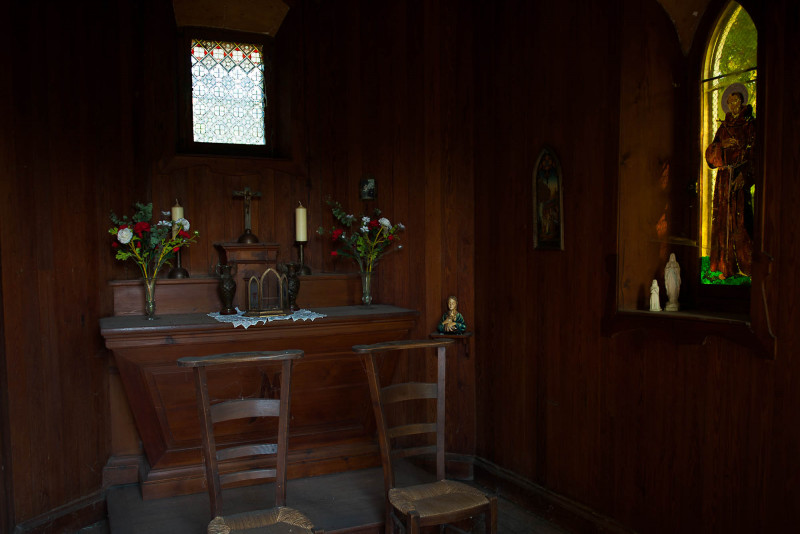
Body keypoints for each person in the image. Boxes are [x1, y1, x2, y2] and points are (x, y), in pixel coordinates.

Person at [705, 83, 756, 279]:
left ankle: (746, 266)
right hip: (724, 180)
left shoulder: (750, 124)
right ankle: (726, 266)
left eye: (736, 101)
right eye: (729, 102)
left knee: (741, 220)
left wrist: (746, 175)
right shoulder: (723, 127)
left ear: (742, 102)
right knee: (723, 221)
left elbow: (754, 153)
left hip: (740, 178)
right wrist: (721, 145)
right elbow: (710, 156)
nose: (733, 105)